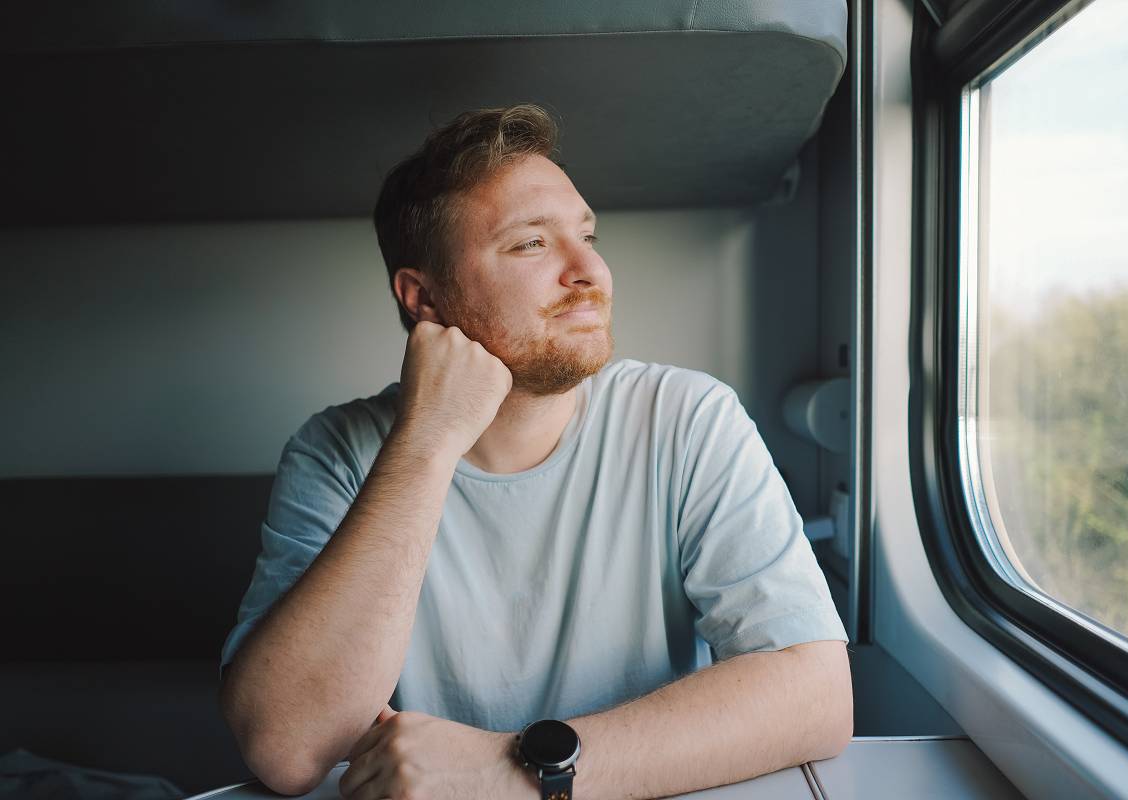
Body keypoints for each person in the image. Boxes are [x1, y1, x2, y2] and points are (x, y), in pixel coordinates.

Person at [219, 104, 852, 800]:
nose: (590, 271)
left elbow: (816, 696)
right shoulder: (335, 452)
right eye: (531, 245)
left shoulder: (687, 418)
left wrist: (517, 772)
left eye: (588, 235)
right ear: (424, 299)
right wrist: (426, 443)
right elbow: (286, 748)